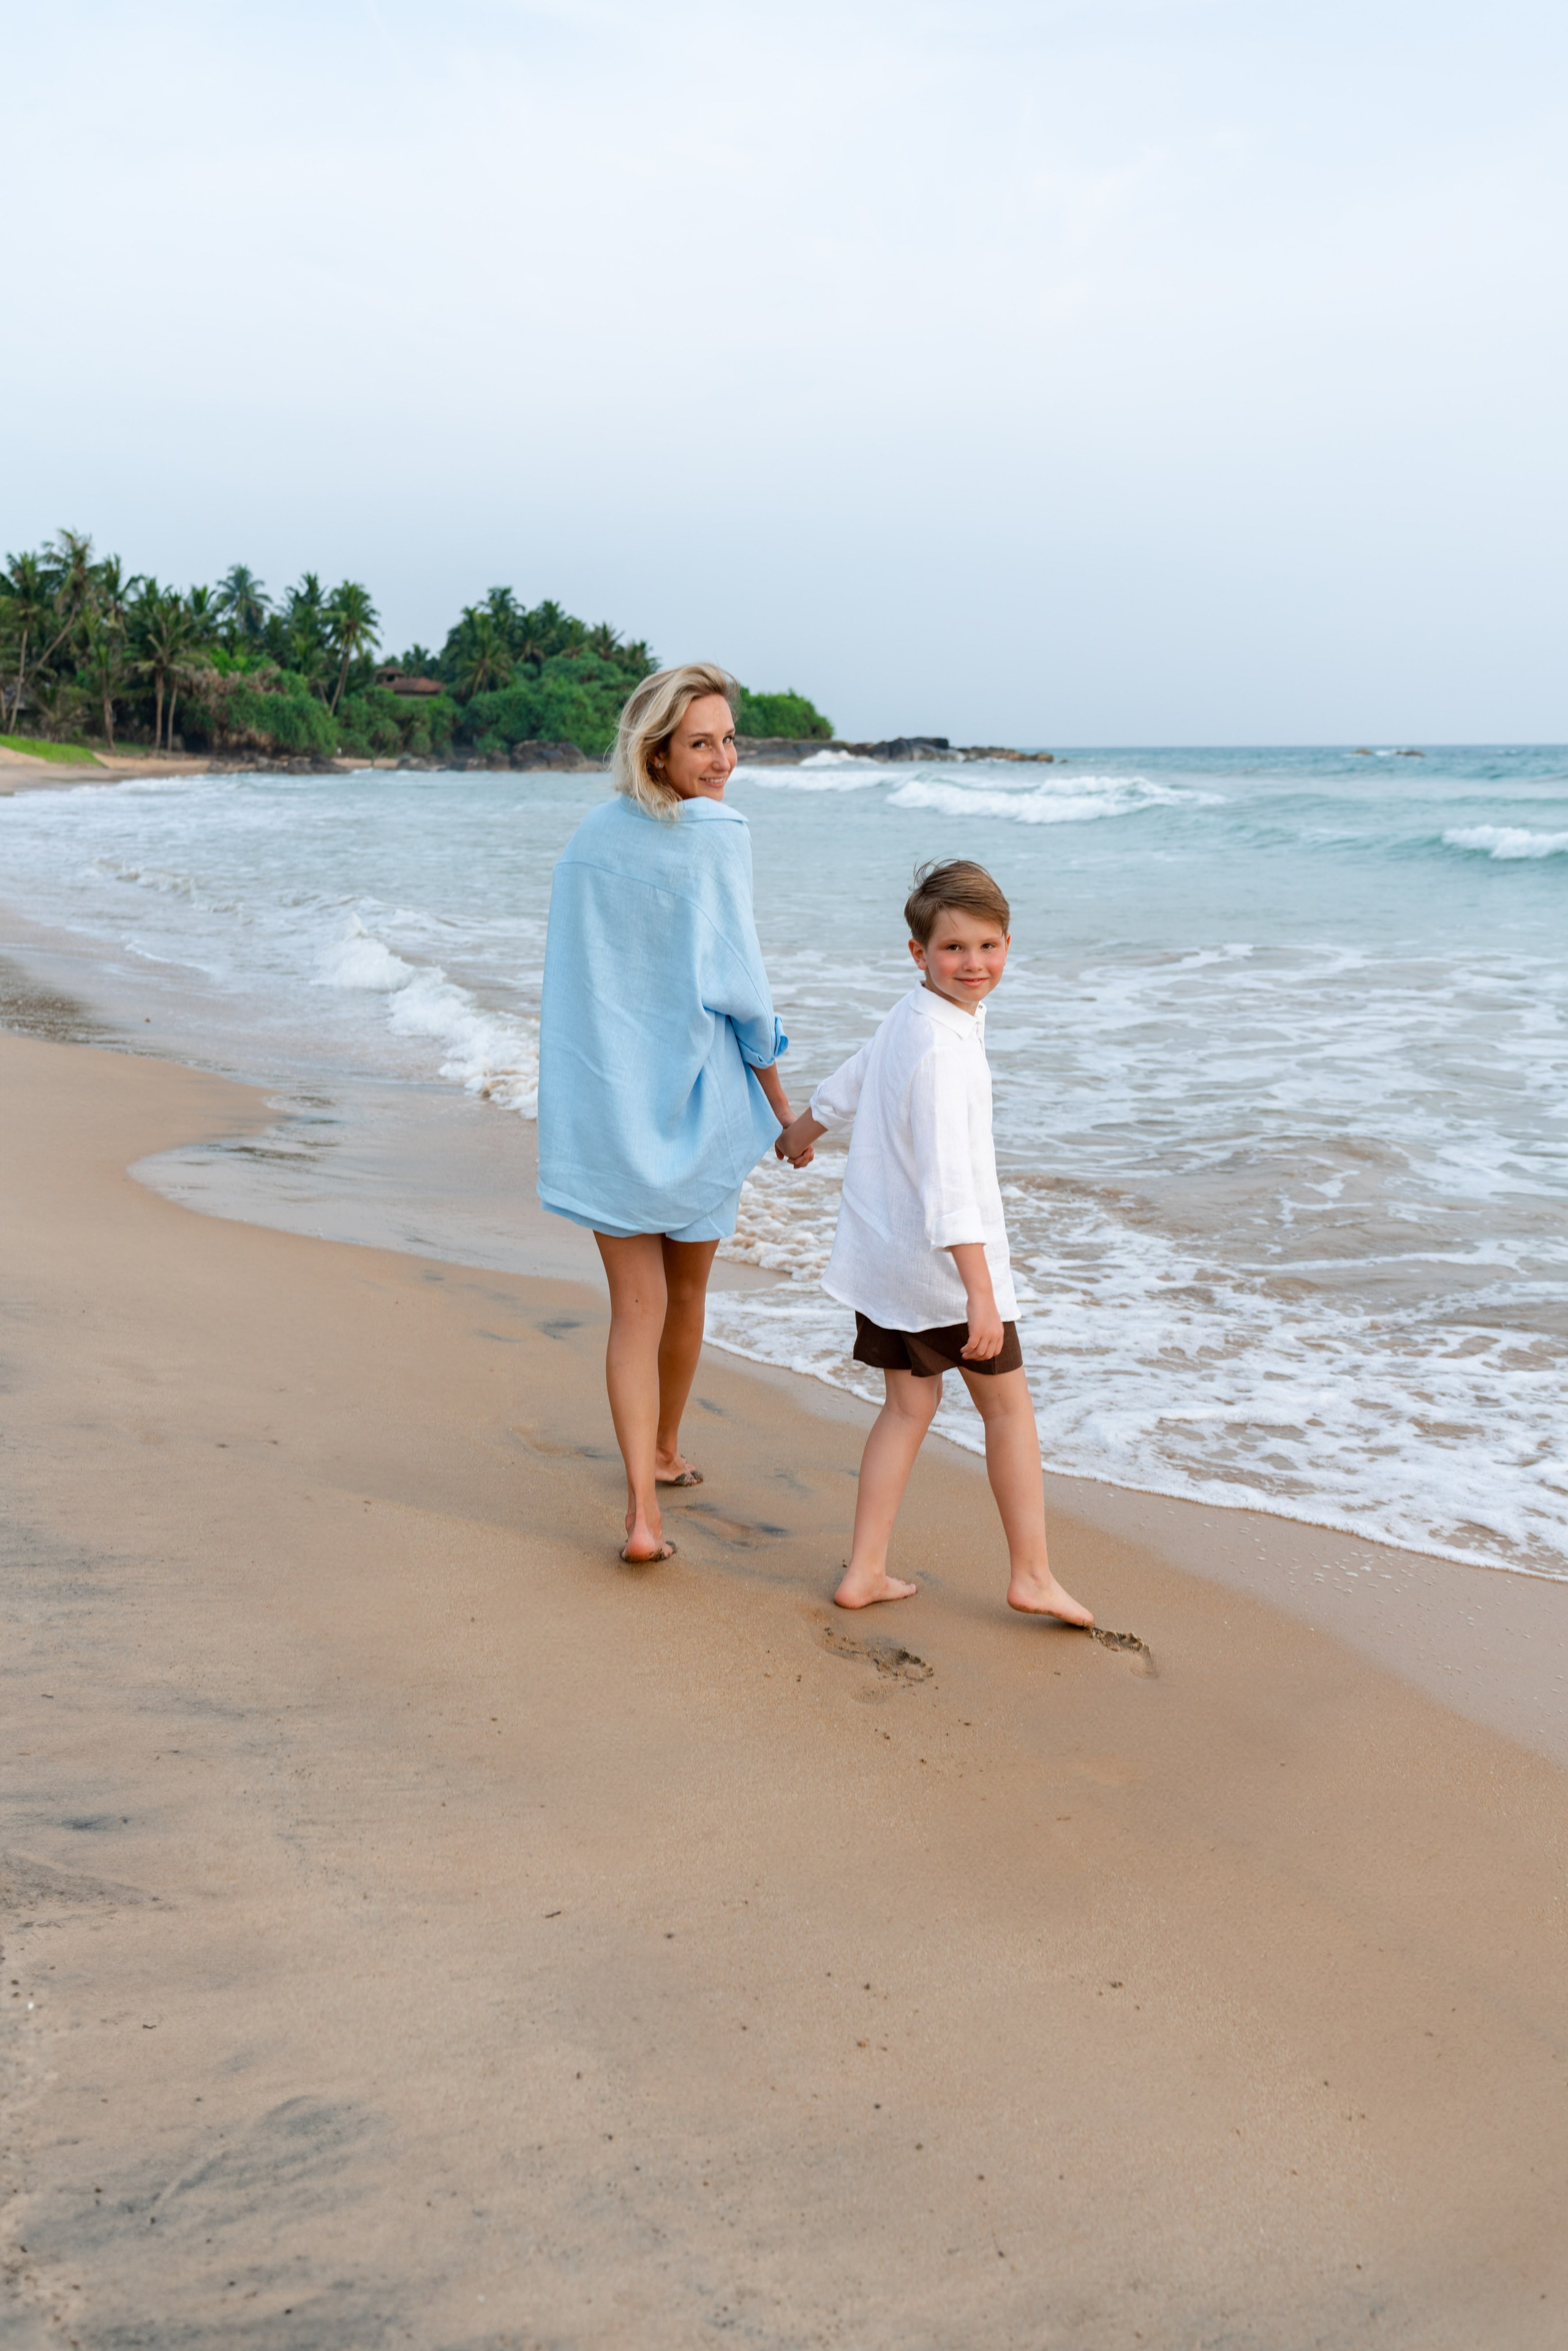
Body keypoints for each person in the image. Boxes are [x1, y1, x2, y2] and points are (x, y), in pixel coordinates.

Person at [774, 858, 1092, 1625]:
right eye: (954, 949)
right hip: (946, 1273)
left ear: (1009, 945)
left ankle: (866, 1570)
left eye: (988, 947)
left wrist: (801, 1131)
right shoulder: (947, 1050)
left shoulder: (915, 1015)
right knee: (1009, 1414)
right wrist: (981, 1297)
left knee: (907, 1411)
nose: (974, 964)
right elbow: (952, 1189)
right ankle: (1032, 1575)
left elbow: (855, 1076)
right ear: (918, 953)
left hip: (887, 1262)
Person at [537, 663, 802, 1564]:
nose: (723, 759)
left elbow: (576, 983)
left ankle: (644, 1509)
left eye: (730, 740)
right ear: (657, 750)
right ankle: (661, 1450)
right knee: (685, 1294)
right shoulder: (718, 835)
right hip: (696, 1105)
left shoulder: (590, 837)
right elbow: (743, 986)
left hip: (610, 1106)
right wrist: (779, 1103)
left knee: (634, 1309)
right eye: (702, 743)